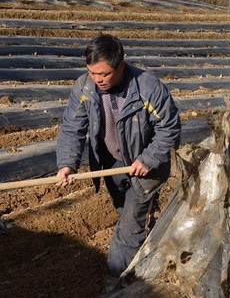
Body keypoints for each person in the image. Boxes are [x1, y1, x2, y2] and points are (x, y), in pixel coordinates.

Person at [55, 34, 181, 284]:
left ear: (121, 65)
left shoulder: (148, 87)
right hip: (111, 164)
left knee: (129, 226)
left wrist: (147, 159)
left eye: (104, 74)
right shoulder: (84, 87)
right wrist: (67, 164)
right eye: (92, 72)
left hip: (146, 166)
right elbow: (72, 128)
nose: (98, 80)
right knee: (126, 212)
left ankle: (117, 280)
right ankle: (150, 248)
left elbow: (170, 128)